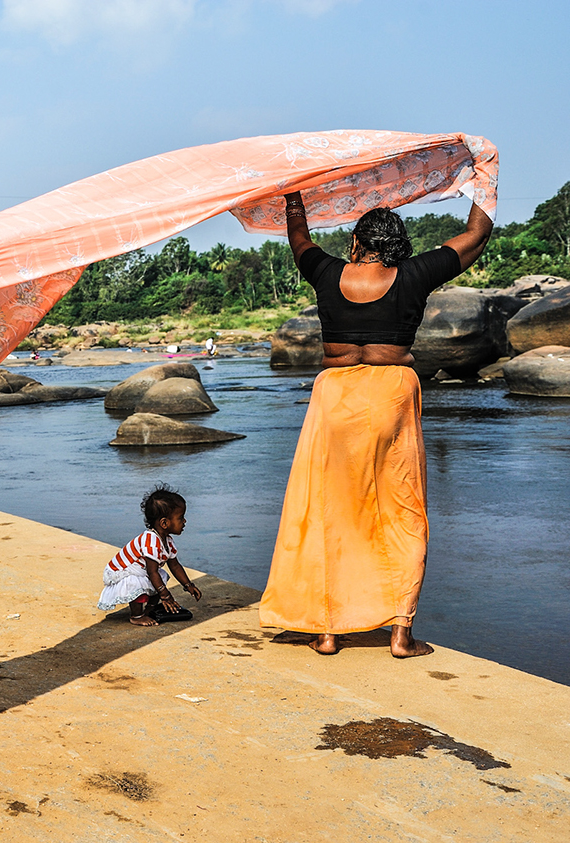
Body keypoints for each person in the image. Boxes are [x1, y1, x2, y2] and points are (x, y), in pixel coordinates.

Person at [259, 191, 493, 658]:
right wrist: (484, 179)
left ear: (355, 244)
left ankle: (327, 632)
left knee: (329, 510)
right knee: (402, 510)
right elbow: (475, 235)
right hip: (391, 395)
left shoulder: (326, 271)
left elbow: (298, 237)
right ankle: (401, 634)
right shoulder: (413, 274)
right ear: (396, 247)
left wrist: (294, 197)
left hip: (336, 396)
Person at [97, 486, 202, 625]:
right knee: (143, 582)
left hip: (142, 569)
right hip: (123, 571)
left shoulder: (167, 541)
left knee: (160, 578)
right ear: (164, 523)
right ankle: (136, 616)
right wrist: (165, 595)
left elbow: (175, 565)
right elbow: (151, 572)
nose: (184, 521)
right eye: (181, 518)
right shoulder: (151, 541)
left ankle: (149, 610)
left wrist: (188, 585)